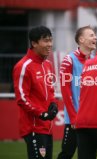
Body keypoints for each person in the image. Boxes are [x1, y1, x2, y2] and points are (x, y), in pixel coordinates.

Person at [13, 26, 58, 159]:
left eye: (50, 40)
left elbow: (51, 90)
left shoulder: (48, 64)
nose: (49, 44)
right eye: (45, 41)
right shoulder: (23, 66)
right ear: (34, 43)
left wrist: (54, 104)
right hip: (33, 127)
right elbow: (22, 98)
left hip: (47, 127)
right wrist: (41, 113)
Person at [57, 25, 97, 159]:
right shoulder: (69, 60)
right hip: (74, 119)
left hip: (91, 120)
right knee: (67, 154)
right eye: (91, 35)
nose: (95, 37)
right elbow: (65, 90)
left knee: (88, 155)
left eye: (94, 35)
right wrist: (74, 117)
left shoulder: (96, 60)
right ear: (81, 39)